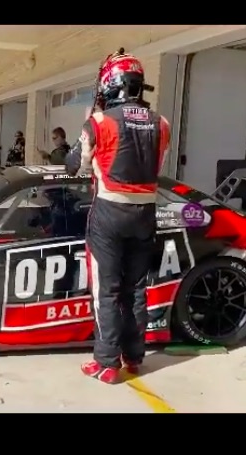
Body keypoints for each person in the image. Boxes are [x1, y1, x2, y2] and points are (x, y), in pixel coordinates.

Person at [65, 48, 171, 384]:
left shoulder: (99, 122)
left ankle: (106, 363)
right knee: (136, 289)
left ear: (112, 84)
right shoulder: (162, 123)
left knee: (106, 290)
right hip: (146, 213)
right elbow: (157, 168)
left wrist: (89, 121)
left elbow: (74, 166)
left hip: (109, 212)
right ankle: (134, 357)